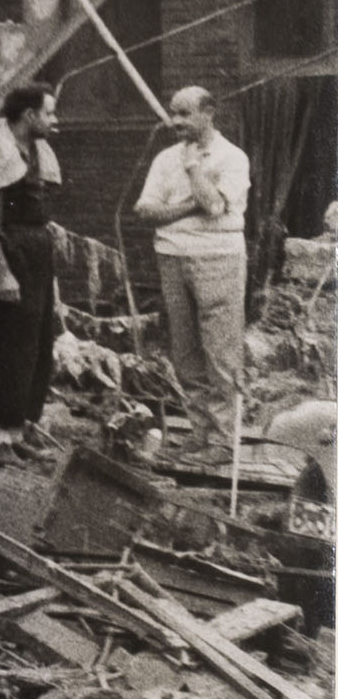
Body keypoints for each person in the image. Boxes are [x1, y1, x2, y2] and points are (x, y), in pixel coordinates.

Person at [131, 85, 251, 436]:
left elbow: (215, 206)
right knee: (184, 352)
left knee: (221, 351)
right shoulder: (164, 159)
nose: (175, 121)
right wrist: (189, 207)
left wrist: (195, 169)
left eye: (184, 114)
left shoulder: (233, 158)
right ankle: (200, 433)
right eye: (173, 112)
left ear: (209, 112)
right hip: (172, 258)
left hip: (218, 258)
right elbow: (145, 210)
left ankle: (224, 438)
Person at [0, 83, 61, 459]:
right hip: (12, 252)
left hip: (36, 253)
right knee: (12, 346)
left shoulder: (36, 150)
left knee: (38, 346)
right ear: (30, 115)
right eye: (49, 113)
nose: (54, 120)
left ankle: (19, 431)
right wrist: (3, 274)